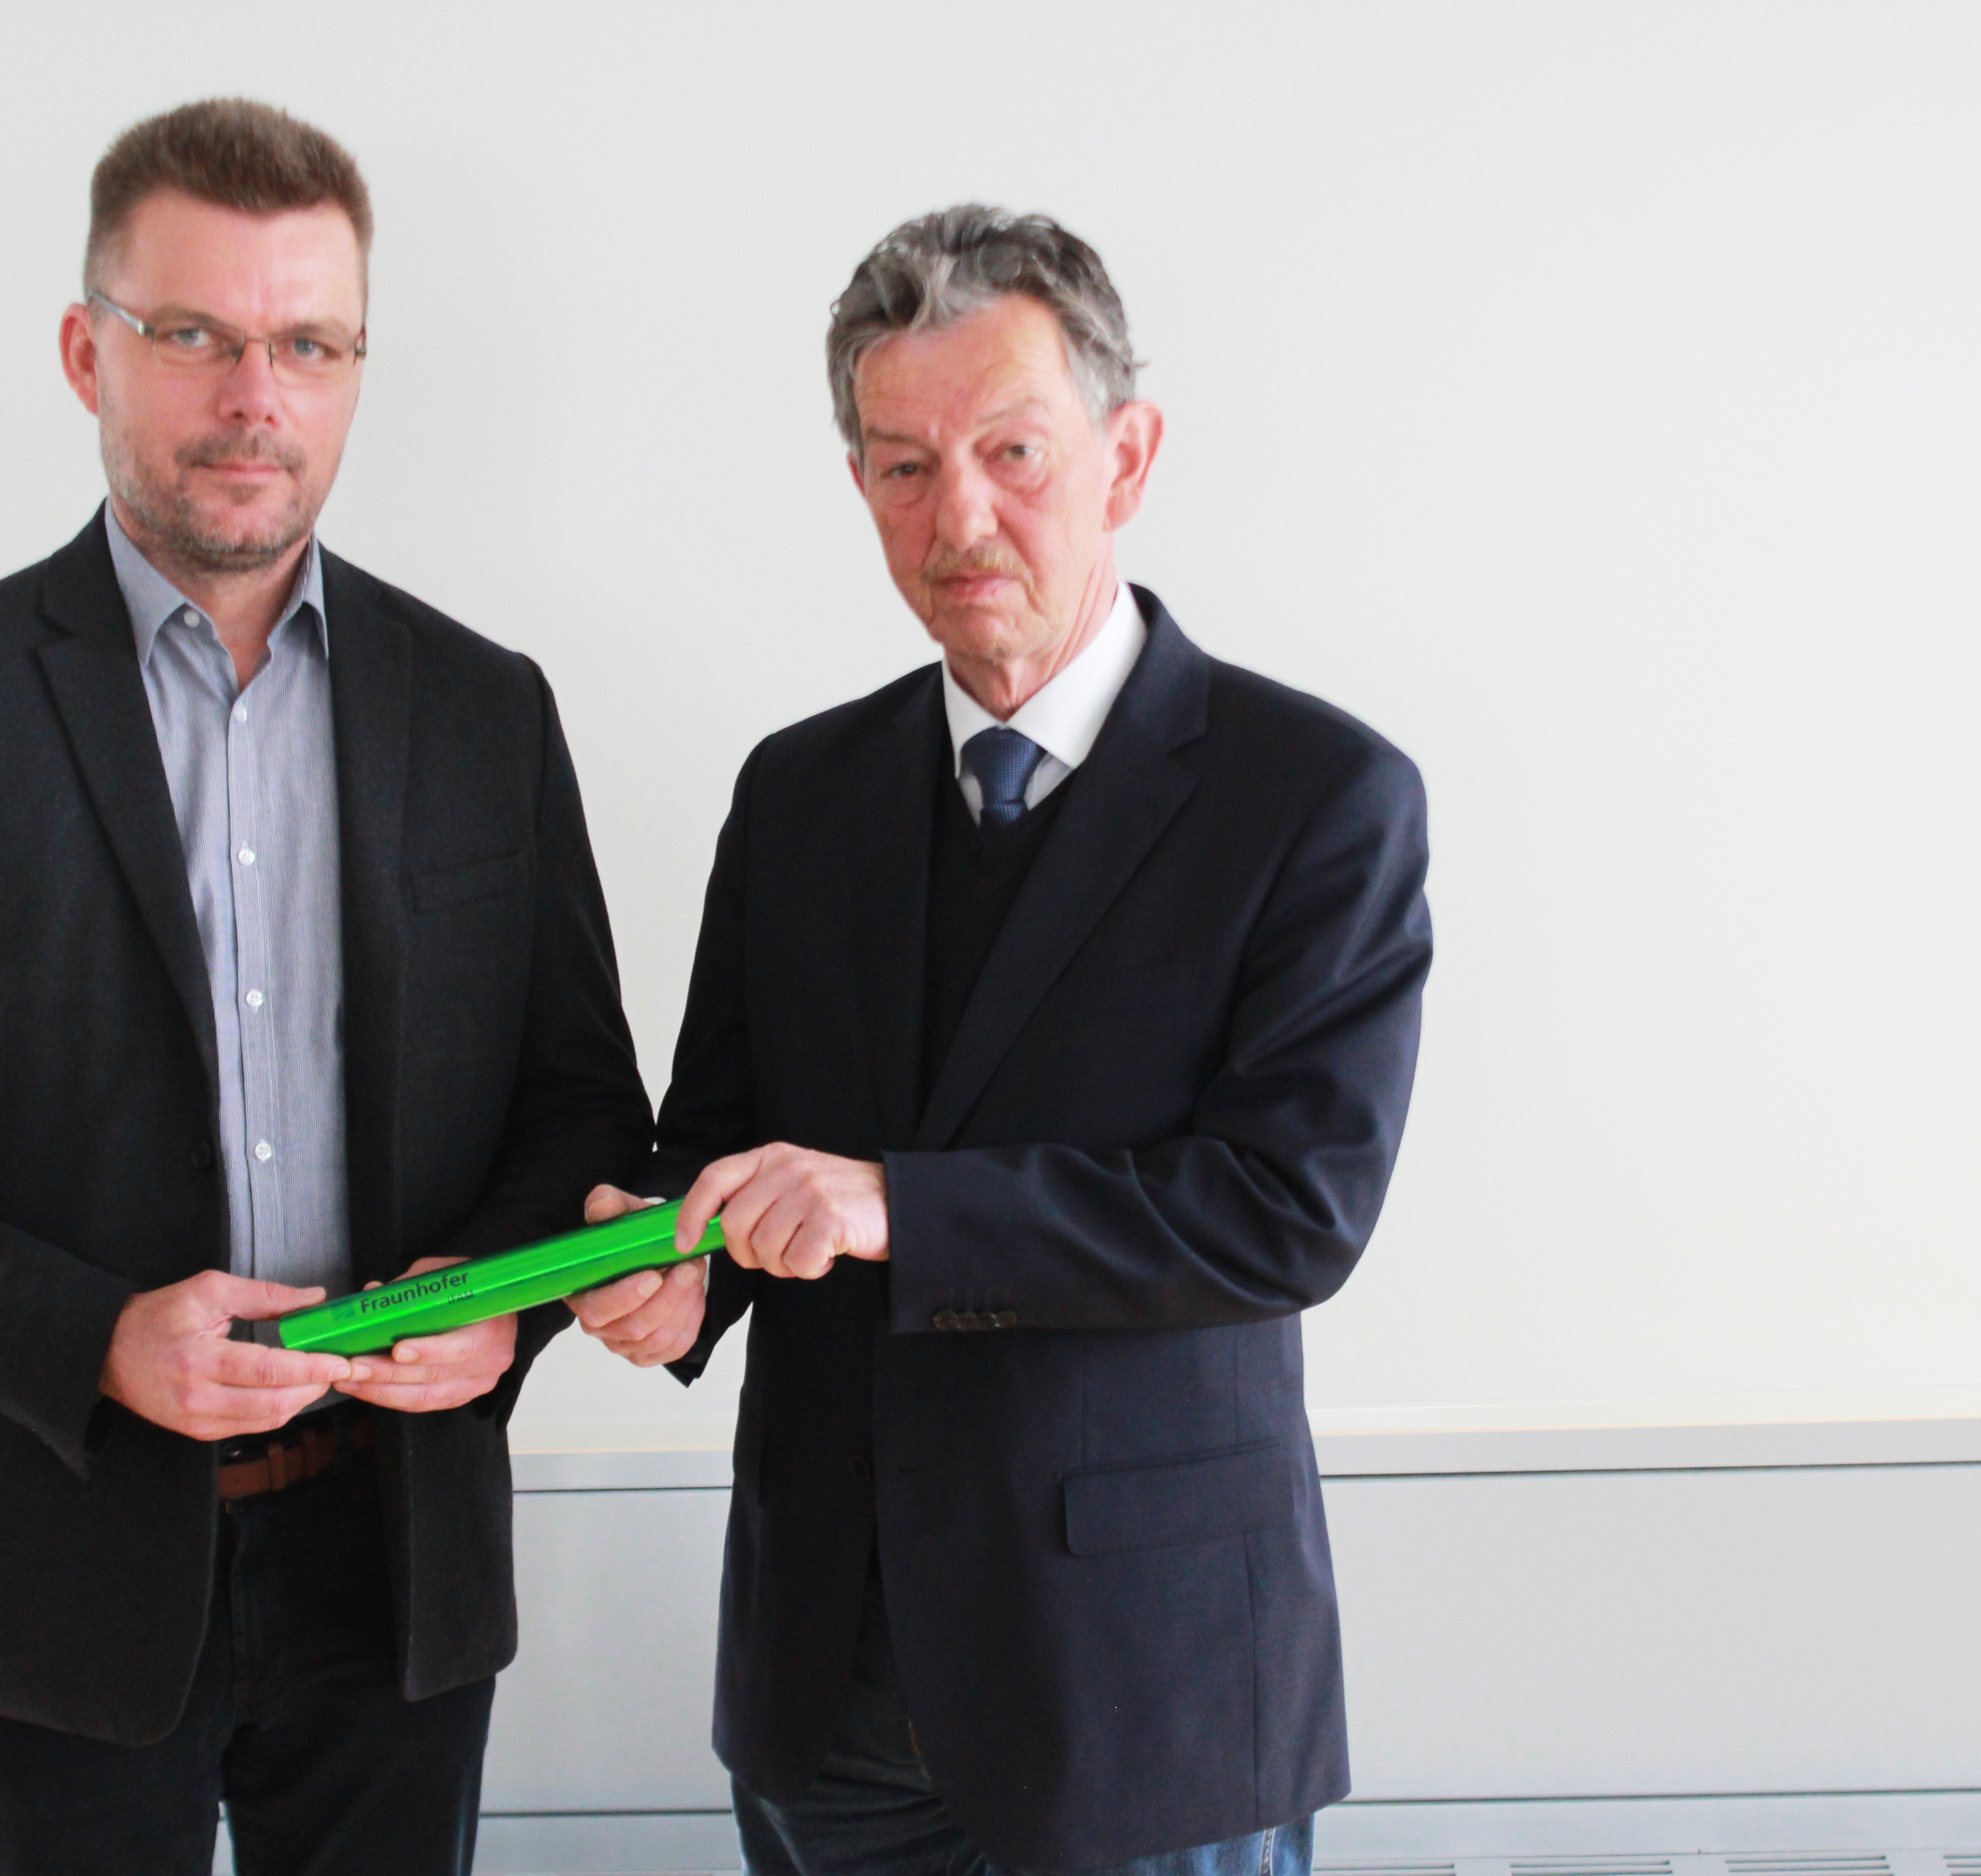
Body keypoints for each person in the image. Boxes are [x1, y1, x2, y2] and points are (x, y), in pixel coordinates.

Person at [0, 99, 650, 1876]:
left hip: (399, 1571)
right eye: (193, 336)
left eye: (306, 344)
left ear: (356, 368)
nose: (252, 396)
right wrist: (95, 1342)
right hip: (51, 1576)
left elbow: (583, 1111)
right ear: (87, 351)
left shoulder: (483, 710)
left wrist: (501, 1302)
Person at [571, 206, 1431, 1876]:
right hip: (826, 1686)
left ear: (1128, 454)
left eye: (1010, 452)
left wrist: (901, 1202)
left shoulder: (1316, 797)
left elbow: (1286, 1210)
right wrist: (678, 1266)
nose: (957, 516)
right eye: (900, 466)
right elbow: (726, 1139)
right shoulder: (797, 792)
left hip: (1141, 1694)